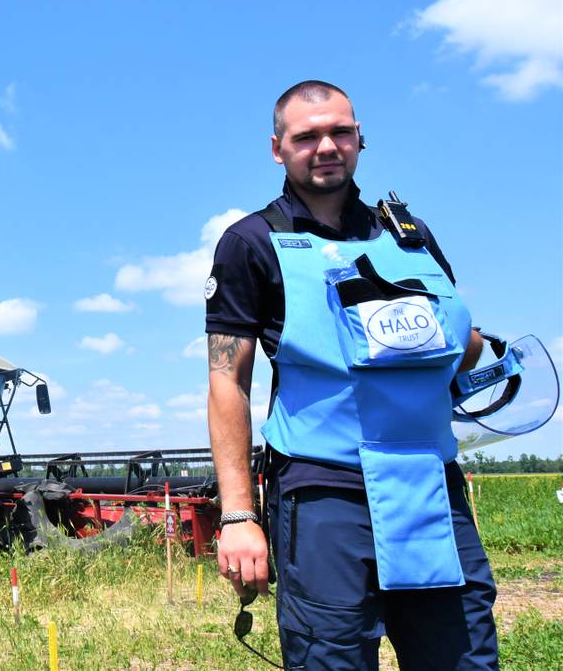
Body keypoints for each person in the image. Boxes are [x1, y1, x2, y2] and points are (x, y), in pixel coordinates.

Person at [204, 80, 497, 670]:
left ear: (360, 138)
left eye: (340, 131)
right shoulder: (252, 243)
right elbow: (226, 380)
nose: (326, 146)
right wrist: (238, 516)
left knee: (463, 657)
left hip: (430, 486)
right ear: (277, 148)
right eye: (306, 136)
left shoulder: (408, 236)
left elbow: (459, 343)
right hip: (322, 493)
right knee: (330, 660)